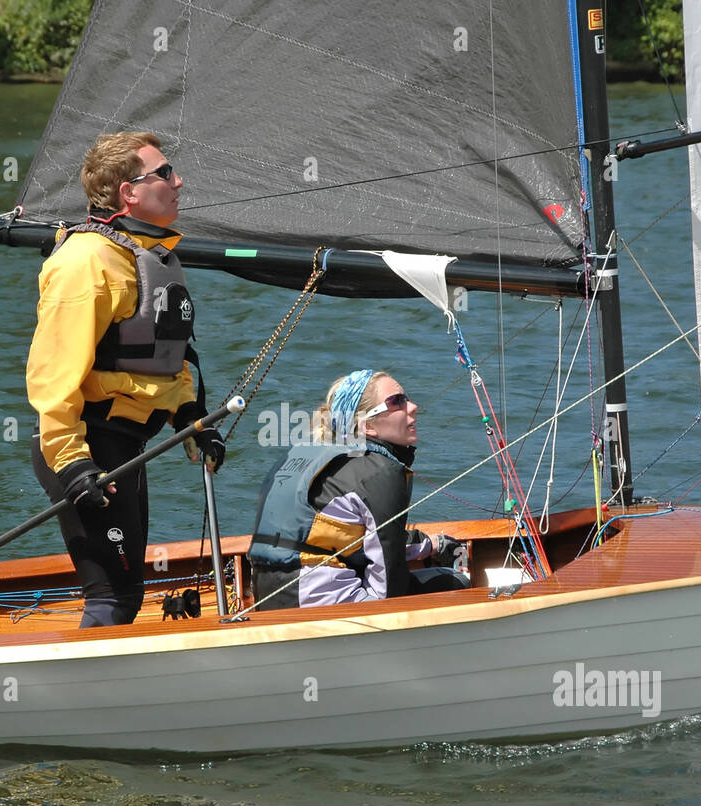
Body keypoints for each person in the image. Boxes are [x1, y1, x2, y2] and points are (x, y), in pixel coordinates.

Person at [27, 131, 224, 627]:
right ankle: (82, 695)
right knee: (111, 599)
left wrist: (191, 417)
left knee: (127, 594)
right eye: (164, 173)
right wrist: (73, 464)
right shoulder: (84, 263)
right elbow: (53, 377)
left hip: (129, 443)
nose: (178, 181)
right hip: (85, 445)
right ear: (126, 192)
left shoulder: (151, 258)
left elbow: (163, 359)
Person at [248, 369, 469, 609]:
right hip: (319, 610)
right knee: (455, 580)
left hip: (265, 598)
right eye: (397, 402)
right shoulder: (379, 470)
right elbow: (388, 589)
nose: (413, 406)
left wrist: (430, 545)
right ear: (369, 427)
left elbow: (352, 538)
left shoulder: (302, 456)